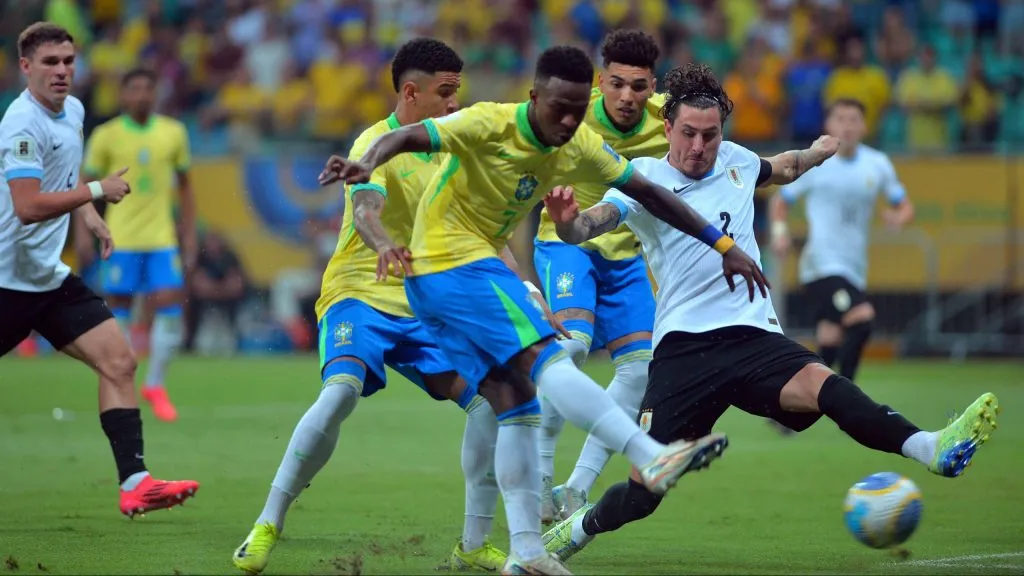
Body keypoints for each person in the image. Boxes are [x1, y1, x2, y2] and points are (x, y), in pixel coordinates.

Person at [321, 45, 769, 575]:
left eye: (578, 109)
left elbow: (650, 193)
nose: (567, 120)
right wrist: (364, 162)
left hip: (458, 272)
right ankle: (650, 455)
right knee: (554, 356)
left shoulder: (580, 143)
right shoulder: (489, 122)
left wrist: (724, 245)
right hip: (451, 263)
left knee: (516, 404)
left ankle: (527, 553)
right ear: (534, 97)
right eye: (557, 106)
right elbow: (403, 136)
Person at [539, 63, 1001, 563]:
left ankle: (930, 448)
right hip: (684, 350)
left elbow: (784, 167)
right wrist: (567, 225)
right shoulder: (644, 178)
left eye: (710, 136)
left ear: (723, 133)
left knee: (829, 388)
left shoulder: (736, 161)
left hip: (753, 336)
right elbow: (590, 227)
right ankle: (578, 529)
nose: (698, 148)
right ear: (668, 128)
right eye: (688, 134)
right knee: (643, 493)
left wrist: (817, 153)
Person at [232, 38, 507, 575]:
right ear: (411, 91)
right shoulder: (375, 141)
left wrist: (528, 292)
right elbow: (365, 208)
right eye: (446, 92)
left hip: (426, 304)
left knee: (491, 402)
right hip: (359, 291)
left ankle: (473, 545)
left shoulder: (453, 149)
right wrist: (383, 244)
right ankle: (268, 522)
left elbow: (479, 231)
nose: (456, 103)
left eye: (459, 92)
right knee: (341, 394)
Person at [0, 22, 199, 517]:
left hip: (46, 278)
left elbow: (69, 175)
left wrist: (89, 215)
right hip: (5, 282)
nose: (62, 70)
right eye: (50, 62)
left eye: (68, 61)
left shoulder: (74, 111)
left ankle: (136, 483)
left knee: (120, 362)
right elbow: (26, 206)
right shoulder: (21, 124)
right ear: (26, 67)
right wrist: (95, 195)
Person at [531, 28, 667, 525]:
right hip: (567, 245)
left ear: (653, 85)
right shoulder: (571, 110)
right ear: (600, 81)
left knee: (640, 370)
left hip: (626, 258)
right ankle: (539, 478)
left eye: (638, 86)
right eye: (616, 84)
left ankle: (574, 488)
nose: (627, 96)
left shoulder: (670, 120)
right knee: (572, 348)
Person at [769, 98, 914, 384]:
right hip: (820, 265)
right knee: (861, 319)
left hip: (854, 267)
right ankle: (846, 398)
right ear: (829, 125)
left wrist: (898, 218)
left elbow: (905, 205)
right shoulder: (816, 163)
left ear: (864, 126)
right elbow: (780, 201)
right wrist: (780, 233)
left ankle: (791, 411)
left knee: (829, 341)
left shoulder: (878, 164)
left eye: (853, 120)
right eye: (840, 119)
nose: (847, 126)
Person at [81, 67, 197, 423]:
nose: (143, 95)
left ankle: (156, 383)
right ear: (123, 95)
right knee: (119, 306)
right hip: (122, 237)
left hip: (161, 237)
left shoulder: (173, 132)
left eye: (149, 88)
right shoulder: (106, 135)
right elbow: (84, 185)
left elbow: (186, 187)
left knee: (170, 301)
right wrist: (84, 232)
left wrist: (189, 235)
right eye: (135, 89)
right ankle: (122, 378)